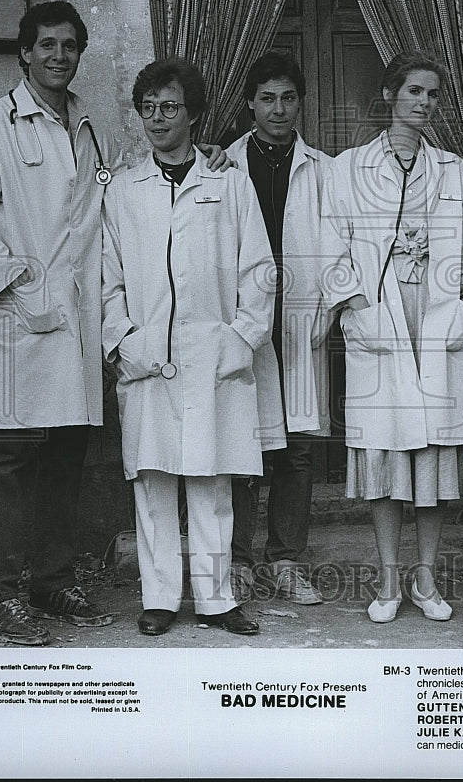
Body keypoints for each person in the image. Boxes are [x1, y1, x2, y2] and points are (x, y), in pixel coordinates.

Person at [0, 1, 230, 646]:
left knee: (64, 457)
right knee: (9, 460)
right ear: (24, 52)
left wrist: (203, 157)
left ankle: (49, 579)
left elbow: (120, 191)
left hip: (73, 329)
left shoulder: (86, 129)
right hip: (16, 323)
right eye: (46, 44)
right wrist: (20, 284)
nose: (59, 56)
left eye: (70, 45)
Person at [101, 57, 285, 637]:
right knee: (153, 481)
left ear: (194, 112)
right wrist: (123, 341)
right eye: (148, 108)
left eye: (170, 107)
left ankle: (216, 598)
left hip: (213, 355)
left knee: (211, 482)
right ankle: (158, 597)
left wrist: (239, 342)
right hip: (148, 355)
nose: (157, 119)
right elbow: (109, 277)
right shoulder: (125, 188)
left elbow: (259, 270)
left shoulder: (228, 182)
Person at [319, 52, 463, 623]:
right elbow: (329, 244)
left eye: (433, 94)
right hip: (382, 318)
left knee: (433, 455)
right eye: (413, 91)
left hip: (435, 317)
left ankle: (427, 579)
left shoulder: (454, 171)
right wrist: (355, 304)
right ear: (390, 95)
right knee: (387, 451)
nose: (424, 102)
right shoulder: (348, 169)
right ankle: (389, 581)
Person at [226, 52, 333, 606]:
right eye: (267, 98)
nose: (278, 109)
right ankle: (239, 560)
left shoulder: (323, 168)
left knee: (296, 445)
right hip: (243, 317)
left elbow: (339, 245)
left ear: (301, 102)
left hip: (299, 315)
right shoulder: (222, 166)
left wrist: (329, 309)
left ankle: (286, 560)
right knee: (243, 438)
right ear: (250, 102)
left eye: (288, 98)